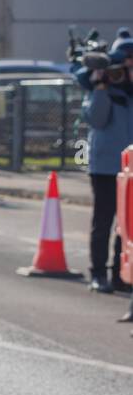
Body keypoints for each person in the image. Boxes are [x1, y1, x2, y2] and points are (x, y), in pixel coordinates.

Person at [79, 46, 133, 294]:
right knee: (103, 222)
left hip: (130, 169)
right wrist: (101, 85)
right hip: (106, 167)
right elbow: (96, 119)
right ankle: (98, 273)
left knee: (128, 226)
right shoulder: (99, 91)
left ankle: (121, 274)